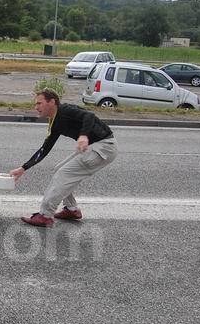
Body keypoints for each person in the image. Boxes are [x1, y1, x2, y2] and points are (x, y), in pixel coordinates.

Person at [9, 88, 118, 227]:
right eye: (36, 104)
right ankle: (71, 210)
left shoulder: (65, 111)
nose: (36, 107)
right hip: (96, 147)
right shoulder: (55, 122)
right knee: (59, 169)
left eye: (39, 103)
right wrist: (24, 168)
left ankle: (45, 215)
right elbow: (44, 149)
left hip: (104, 147)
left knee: (63, 174)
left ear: (52, 102)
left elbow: (89, 116)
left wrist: (83, 135)